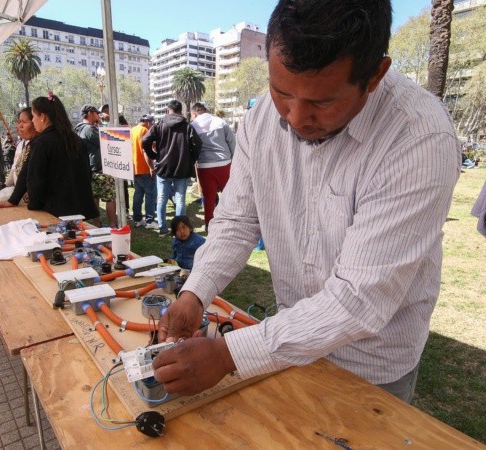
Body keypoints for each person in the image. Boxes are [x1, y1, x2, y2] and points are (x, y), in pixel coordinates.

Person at [152, 0, 460, 404]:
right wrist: (195, 293)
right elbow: (237, 221)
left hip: (372, 363)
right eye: (281, 92)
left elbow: (359, 298)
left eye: (322, 102)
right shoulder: (263, 118)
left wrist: (229, 355)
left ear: (375, 76)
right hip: (285, 342)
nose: (295, 118)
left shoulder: (419, 138)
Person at [0, 94, 99, 220]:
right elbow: (87, 174)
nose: (33, 121)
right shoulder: (76, 139)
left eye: (33, 116)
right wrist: (14, 200)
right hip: (80, 209)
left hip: (55, 212)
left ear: (43, 117)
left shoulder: (42, 142)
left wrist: (33, 205)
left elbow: (35, 179)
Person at [141, 100, 202, 235]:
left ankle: (163, 229)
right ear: (181, 111)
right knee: (180, 199)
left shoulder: (160, 124)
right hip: (182, 167)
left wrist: (154, 155)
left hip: (163, 167)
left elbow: (145, 140)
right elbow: (197, 144)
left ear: (168, 110)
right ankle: (179, 230)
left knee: (162, 198)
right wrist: (192, 159)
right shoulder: (187, 126)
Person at [190, 102, 235, 230]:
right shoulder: (220, 122)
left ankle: (209, 224)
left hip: (204, 165)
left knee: (208, 198)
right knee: (228, 195)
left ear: (194, 113)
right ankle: (230, 221)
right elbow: (231, 141)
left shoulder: (193, 126)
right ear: (205, 110)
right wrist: (233, 158)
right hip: (224, 163)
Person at [75, 105, 114, 226]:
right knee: (110, 198)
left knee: (95, 198)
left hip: (89, 169)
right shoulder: (89, 129)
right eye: (97, 113)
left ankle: (97, 223)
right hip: (99, 169)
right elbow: (106, 140)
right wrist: (102, 124)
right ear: (90, 113)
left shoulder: (78, 129)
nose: (98, 116)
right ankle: (113, 224)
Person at [2, 107, 39, 204]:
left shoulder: (40, 144)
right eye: (19, 122)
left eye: (24, 122)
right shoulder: (21, 145)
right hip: (25, 200)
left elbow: (26, 173)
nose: (19, 126)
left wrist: (13, 200)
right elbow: (17, 171)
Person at [130, 115, 159, 229]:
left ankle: (137, 219)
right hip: (144, 168)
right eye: (151, 124)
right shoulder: (145, 131)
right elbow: (146, 151)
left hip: (134, 168)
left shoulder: (133, 130)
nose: (152, 126)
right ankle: (150, 220)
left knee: (138, 194)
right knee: (151, 195)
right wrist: (152, 168)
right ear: (147, 122)